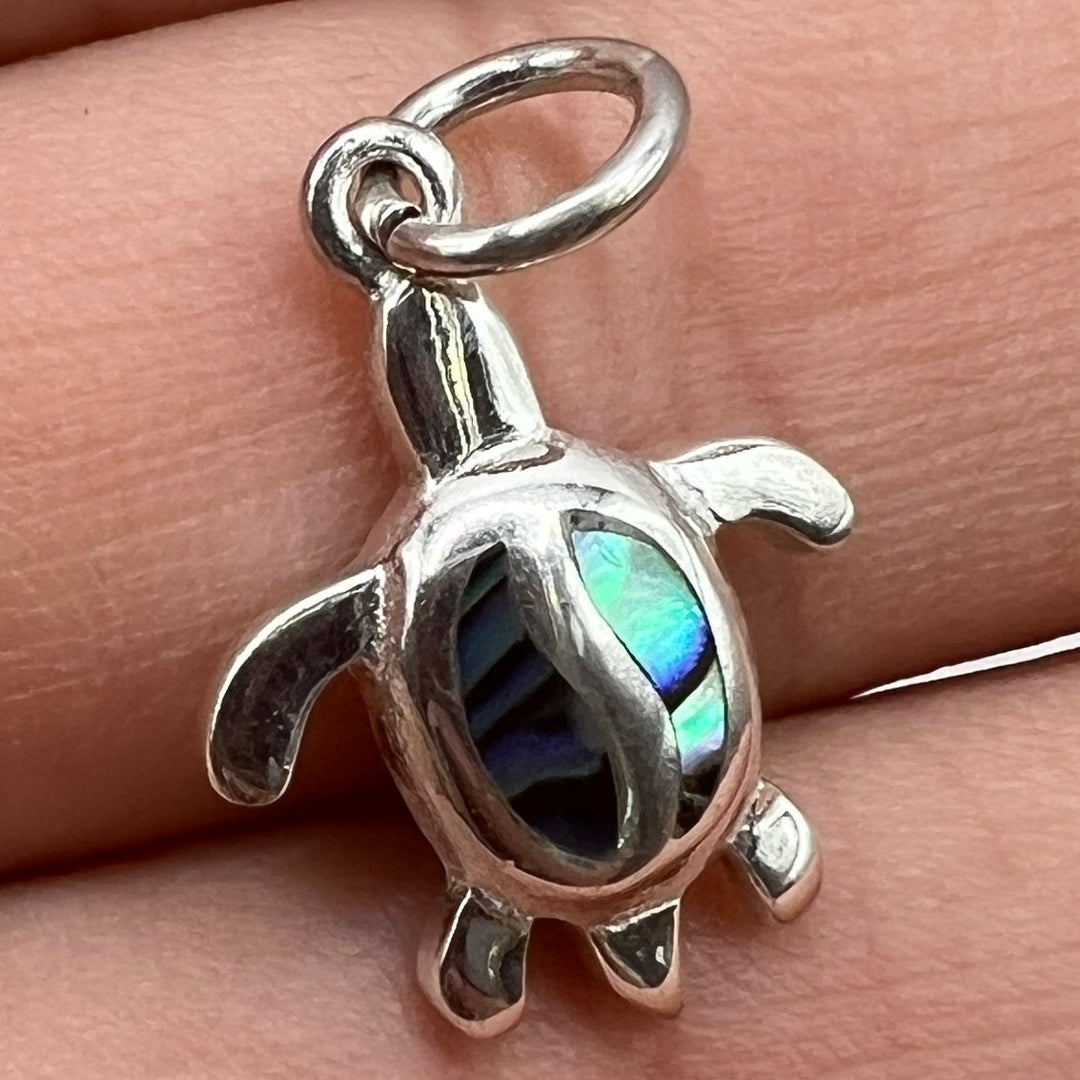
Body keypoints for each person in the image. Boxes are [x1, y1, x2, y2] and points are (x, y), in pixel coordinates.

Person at [1, 1, 1078, 1075]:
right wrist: (799, 499)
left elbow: (291, 677)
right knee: (658, 743)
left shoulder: (406, 575)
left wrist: (258, 738)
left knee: (556, 791)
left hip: (533, 824)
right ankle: (733, 826)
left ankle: (503, 920)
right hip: (691, 770)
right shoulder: (623, 489)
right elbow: (758, 484)